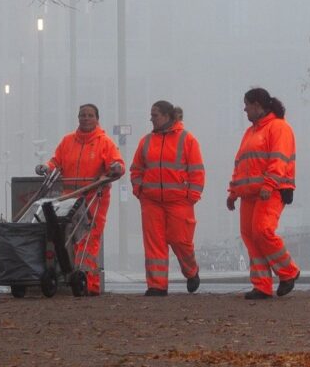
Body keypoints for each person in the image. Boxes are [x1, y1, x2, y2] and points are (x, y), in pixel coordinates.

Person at [36, 104, 125, 296]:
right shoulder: (67, 141)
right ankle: (71, 276)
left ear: (97, 118)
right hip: (70, 198)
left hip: (95, 197)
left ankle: (89, 283)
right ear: (78, 118)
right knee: (66, 237)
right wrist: (46, 167)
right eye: (83, 115)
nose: (85, 118)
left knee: (88, 238)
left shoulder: (105, 143)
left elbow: (117, 164)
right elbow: (56, 162)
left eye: (90, 115)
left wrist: (116, 168)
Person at [227, 88, 300, 299]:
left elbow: (279, 160)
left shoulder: (278, 128)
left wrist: (269, 185)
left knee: (262, 231)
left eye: (247, 105)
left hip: (271, 191)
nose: (245, 110)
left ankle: (289, 272)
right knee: (250, 236)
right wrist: (233, 192)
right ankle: (261, 285)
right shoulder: (251, 133)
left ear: (257, 105)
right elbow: (240, 164)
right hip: (250, 193)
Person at [130, 101, 204, 296]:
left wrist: (192, 197)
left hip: (179, 201)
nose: (151, 119)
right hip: (151, 201)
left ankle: (191, 271)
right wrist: (139, 190)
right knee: (154, 243)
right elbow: (136, 169)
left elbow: (197, 171)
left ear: (167, 116)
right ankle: (157, 285)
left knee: (181, 241)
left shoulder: (187, 140)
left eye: (155, 115)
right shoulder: (146, 141)